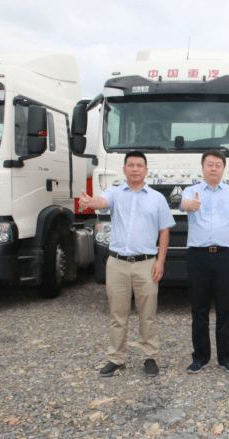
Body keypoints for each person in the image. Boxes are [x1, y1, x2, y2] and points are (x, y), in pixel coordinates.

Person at [79, 151, 174, 377]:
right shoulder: (114, 192)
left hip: (146, 263)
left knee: (147, 313)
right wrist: (90, 202)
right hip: (117, 263)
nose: (135, 169)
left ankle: (149, 357)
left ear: (146, 170)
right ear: (124, 170)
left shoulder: (157, 198)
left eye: (139, 165)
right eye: (130, 165)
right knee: (117, 314)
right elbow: (102, 202)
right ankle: (116, 358)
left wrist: (160, 262)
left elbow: (164, 231)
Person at [180, 149, 229, 374]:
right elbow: (184, 204)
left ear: (223, 169)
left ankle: (226, 357)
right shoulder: (191, 191)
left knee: (225, 307)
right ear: (203, 167)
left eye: (218, 165)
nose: (213, 169)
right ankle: (200, 357)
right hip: (198, 256)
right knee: (199, 308)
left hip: (225, 256)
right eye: (209, 164)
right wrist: (190, 205)